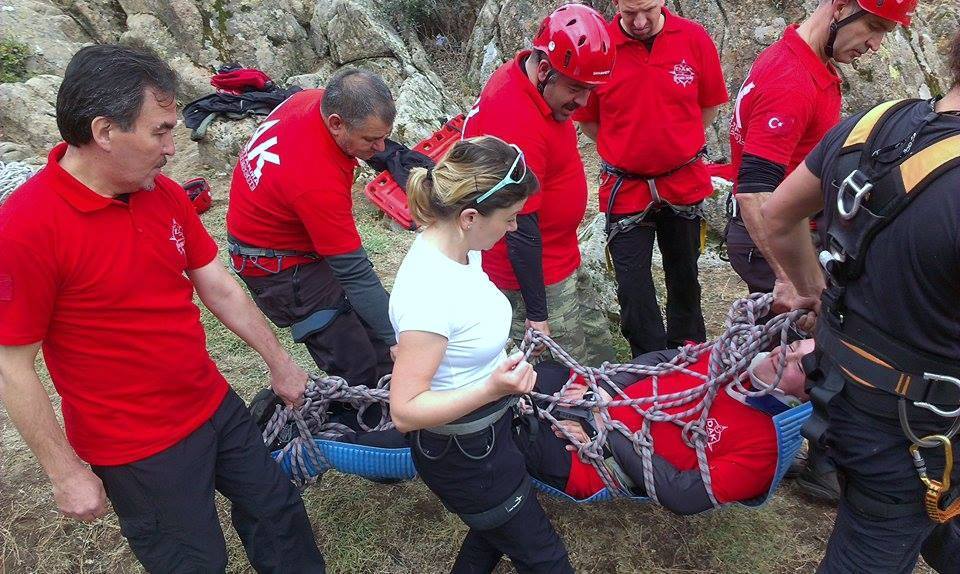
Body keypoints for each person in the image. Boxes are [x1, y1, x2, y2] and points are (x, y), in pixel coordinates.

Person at [0, 45, 325, 572]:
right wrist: (65, 473)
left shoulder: (162, 193)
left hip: (210, 400)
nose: (172, 147)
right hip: (137, 445)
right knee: (192, 560)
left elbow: (216, 283)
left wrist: (280, 362)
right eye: (160, 131)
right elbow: (13, 366)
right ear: (105, 132)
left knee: (277, 508)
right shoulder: (27, 227)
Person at [762, 30, 960, 573]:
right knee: (886, 528)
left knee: (922, 517)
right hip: (914, 436)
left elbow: (779, 217)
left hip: (841, 395)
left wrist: (813, 290)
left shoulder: (876, 124)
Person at [389, 136, 574, 573]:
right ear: (470, 216)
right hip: (464, 455)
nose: (514, 228)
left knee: (494, 533)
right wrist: (492, 385)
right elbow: (405, 410)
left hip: (488, 434)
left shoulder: (461, 251)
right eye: (509, 218)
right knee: (546, 560)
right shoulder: (429, 293)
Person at [226, 68, 396, 400]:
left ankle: (389, 392)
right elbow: (355, 273)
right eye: (370, 140)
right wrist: (400, 339)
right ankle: (367, 422)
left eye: (384, 136)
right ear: (337, 123)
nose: (380, 147)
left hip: (279, 234)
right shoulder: (315, 180)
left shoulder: (311, 101)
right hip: (280, 269)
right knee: (354, 359)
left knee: (374, 335)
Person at [726, 0, 912, 299]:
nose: (875, 45)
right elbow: (755, 188)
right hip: (783, 240)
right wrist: (791, 279)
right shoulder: (792, 79)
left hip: (791, 232)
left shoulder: (797, 59)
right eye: (874, 27)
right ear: (839, 8)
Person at [462, 4, 615, 366]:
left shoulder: (534, 84)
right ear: (545, 69)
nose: (582, 103)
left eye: (591, 90)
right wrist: (537, 314)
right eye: (577, 88)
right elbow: (519, 227)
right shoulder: (515, 118)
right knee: (566, 374)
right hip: (535, 270)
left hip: (560, 255)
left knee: (597, 352)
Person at [574, 0, 728, 357]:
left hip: (683, 181)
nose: (640, 22)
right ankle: (648, 363)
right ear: (616, 5)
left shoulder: (693, 39)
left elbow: (707, 106)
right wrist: (628, 151)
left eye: (648, 10)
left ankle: (688, 354)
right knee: (632, 286)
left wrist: (673, 148)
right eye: (630, 13)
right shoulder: (601, 46)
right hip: (625, 188)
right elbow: (588, 120)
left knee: (685, 275)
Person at [517, 340, 813, 514]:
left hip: (598, 460)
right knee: (532, 377)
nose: (783, 355)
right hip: (598, 401)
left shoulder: (765, 450)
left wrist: (606, 432)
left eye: (798, 366)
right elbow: (664, 359)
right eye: (794, 345)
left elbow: (681, 495)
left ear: (809, 394)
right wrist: (606, 390)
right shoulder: (734, 360)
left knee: (516, 432)